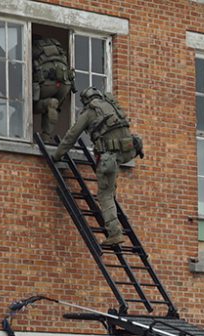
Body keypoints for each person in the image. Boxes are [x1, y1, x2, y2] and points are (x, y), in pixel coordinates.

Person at [52, 87, 144, 247]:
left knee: (105, 195)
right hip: (127, 153)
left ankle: (115, 233)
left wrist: (57, 155)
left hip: (109, 157)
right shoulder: (112, 106)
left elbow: (71, 136)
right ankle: (114, 217)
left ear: (86, 101)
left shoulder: (90, 112)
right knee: (110, 187)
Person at [31, 37, 74, 143]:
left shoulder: (34, 47)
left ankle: (19, 134)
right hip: (64, 85)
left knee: (27, 106)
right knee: (54, 104)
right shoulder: (58, 48)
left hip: (46, 84)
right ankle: (46, 136)